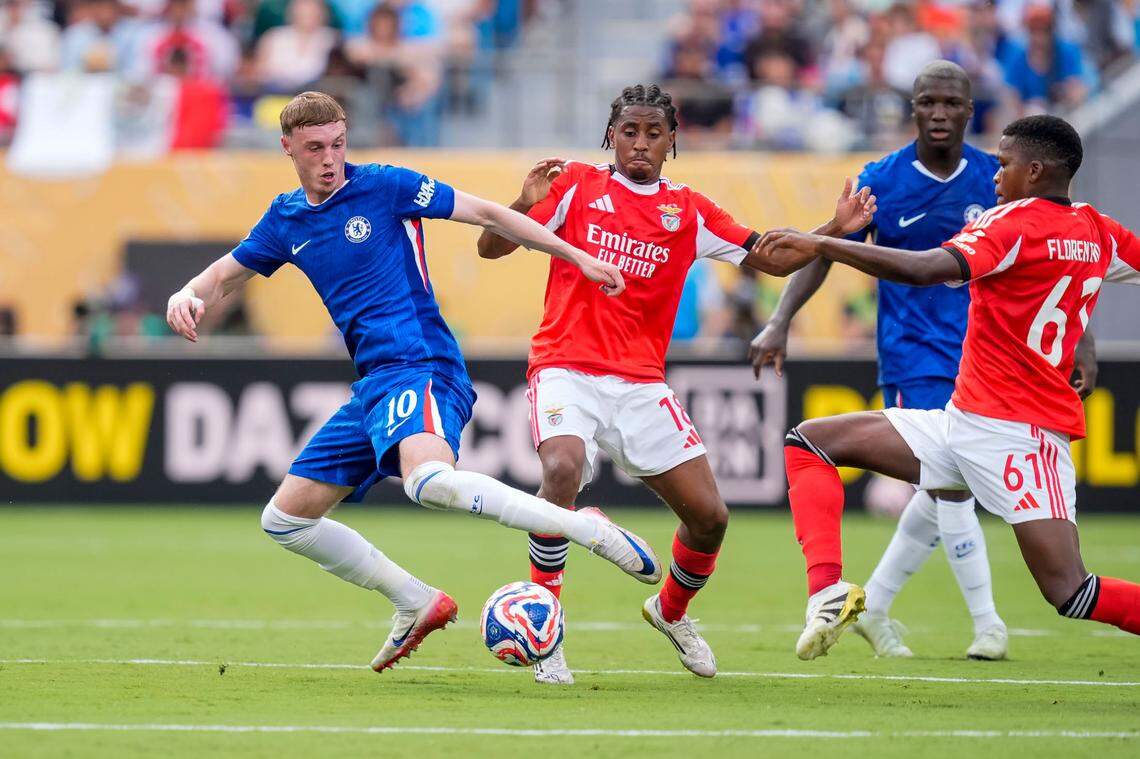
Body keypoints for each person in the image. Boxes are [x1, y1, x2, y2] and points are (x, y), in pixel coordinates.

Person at [165, 91, 664, 674]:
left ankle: (583, 525)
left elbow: (488, 215)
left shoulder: (385, 186)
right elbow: (225, 274)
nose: (330, 159)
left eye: (338, 144)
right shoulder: (285, 218)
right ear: (289, 150)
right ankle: (415, 600)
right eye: (315, 149)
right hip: (374, 384)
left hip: (421, 362)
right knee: (285, 520)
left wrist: (574, 254)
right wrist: (186, 293)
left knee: (426, 481)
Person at [476, 84, 875, 684]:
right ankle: (547, 626)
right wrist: (524, 200)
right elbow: (489, 247)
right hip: (566, 367)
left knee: (710, 517)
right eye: (628, 131)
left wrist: (829, 233)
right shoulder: (574, 185)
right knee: (561, 469)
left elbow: (770, 258)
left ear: (672, 141)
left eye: (652, 133)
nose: (639, 143)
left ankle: (669, 611)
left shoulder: (689, 211)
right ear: (610, 135)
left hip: (640, 384)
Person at [757, 114, 1140, 660]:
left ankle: (972, 620)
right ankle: (828, 590)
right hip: (962, 422)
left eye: (1004, 164)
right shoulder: (1100, 230)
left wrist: (826, 245)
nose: (995, 176)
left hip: (1020, 439)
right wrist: (1083, 336)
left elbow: (924, 268)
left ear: (1034, 171)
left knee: (1070, 591)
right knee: (810, 441)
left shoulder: (1008, 224)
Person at [752, 60, 1022, 660]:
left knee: (940, 487)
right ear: (913, 109)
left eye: (952, 103)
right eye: (928, 102)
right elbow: (827, 252)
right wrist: (779, 318)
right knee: (952, 486)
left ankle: (873, 605)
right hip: (914, 357)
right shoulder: (883, 179)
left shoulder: (995, 180)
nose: (940, 113)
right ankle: (989, 625)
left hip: (987, 359)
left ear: (970, 111)